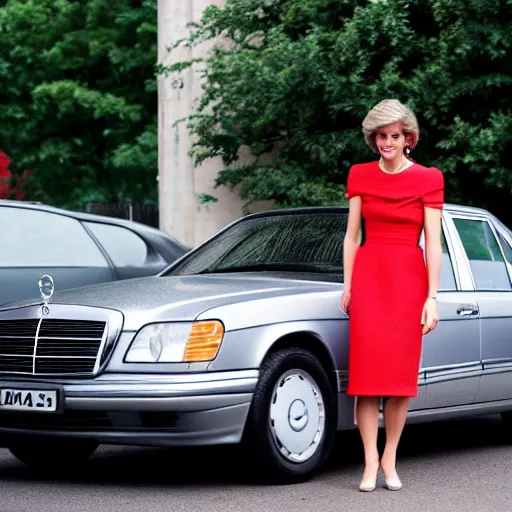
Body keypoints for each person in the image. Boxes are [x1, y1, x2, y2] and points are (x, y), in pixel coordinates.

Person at [340, 99, 444, 492]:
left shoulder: (429, 179)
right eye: (381, 136)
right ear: (374, 139)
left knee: (400, 381)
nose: (387, 142)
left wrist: (432, 296)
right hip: (369, 279)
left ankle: (390, 458)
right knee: (367, 379)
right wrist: (348, 286)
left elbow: (433, 243)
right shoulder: (360, 175)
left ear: (408, 139)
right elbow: (352, 237)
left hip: (408, 282)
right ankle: (368, 462)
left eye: (394, 136)